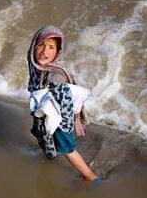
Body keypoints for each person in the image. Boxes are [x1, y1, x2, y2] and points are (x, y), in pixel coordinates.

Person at [27, 25, 99, 182]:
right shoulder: (38, 68)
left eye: (51, 47)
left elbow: (64, 104)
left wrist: (64, 129)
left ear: (57, 51)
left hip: (60, 116)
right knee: (42, 134)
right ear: (34, 46)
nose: (45, 51)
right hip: (47, 110)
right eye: (41, 45)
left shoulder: (56, 75)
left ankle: (90, 177)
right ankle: (49, 153)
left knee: (67, 148)